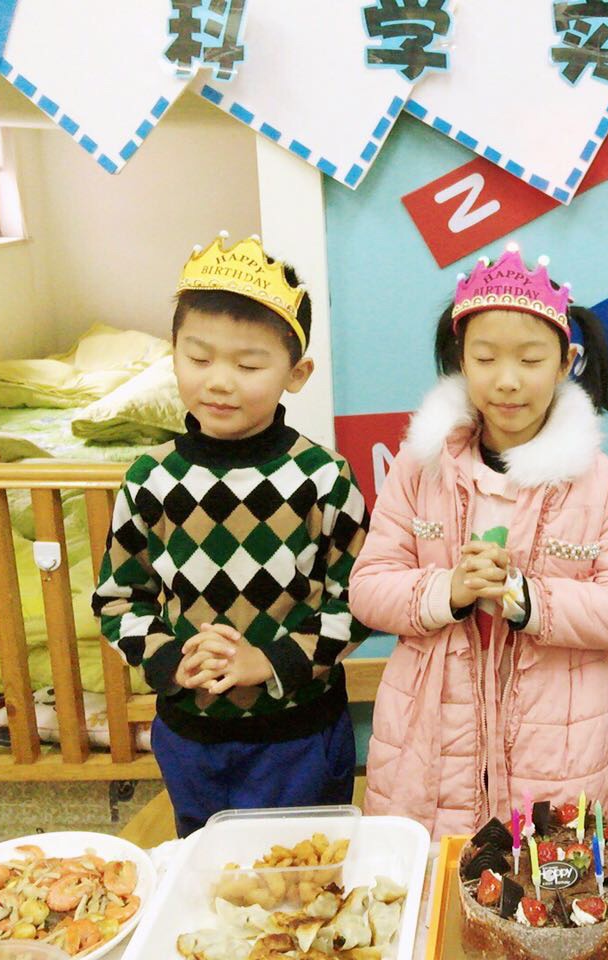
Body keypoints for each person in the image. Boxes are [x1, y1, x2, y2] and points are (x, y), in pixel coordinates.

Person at [349, 243, 608, 837]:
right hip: (435, 742)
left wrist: (527, 598)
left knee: (553, 879)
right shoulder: (419, 471)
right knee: (439, 882)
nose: (508, 381)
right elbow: (367, 589)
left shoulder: (607, 484)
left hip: (564, 746)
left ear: (566, 363)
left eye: (531, 359)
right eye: (486, 358)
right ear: (461, 362)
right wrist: (448, 589)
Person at [93, 232, 369, 836]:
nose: (220, 381)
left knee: (309, 870)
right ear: (172, 354)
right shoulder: (149, 478)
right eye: (198, 359)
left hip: (299, 734)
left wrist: (266, 661)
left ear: (297, 374)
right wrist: (170, 659)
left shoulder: (322, 477)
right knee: (208, 868)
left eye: (247, 365)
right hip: (191, 737)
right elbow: (118, 599)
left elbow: (358, 603)